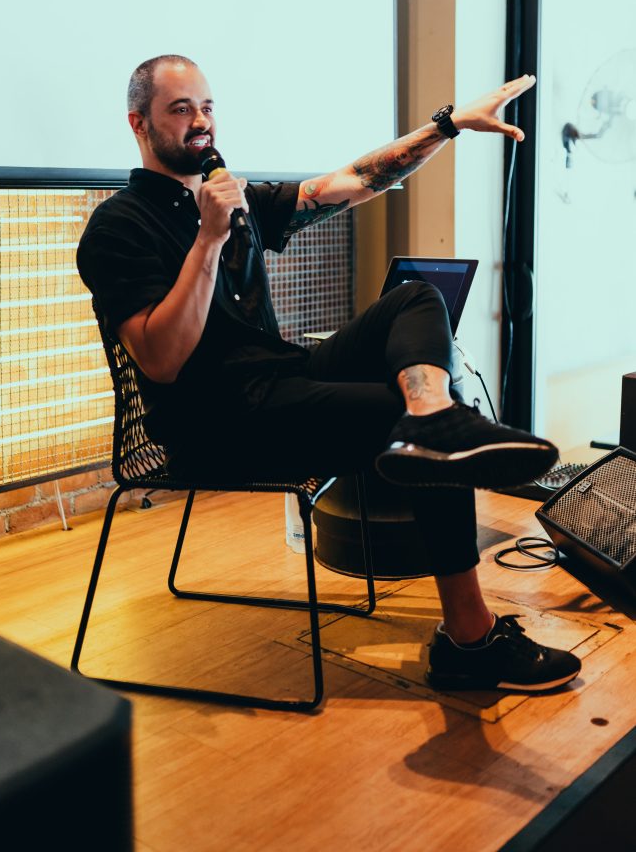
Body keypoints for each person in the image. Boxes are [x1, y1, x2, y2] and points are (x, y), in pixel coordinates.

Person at [77, 54, 581, 694]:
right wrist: (208, 240)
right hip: (214, 418)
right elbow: (161, 360)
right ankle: (470, 641)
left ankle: (434, 413)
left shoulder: (235, 198)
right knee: (386, 417)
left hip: (279, 378)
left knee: (415, 297)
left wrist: (448, 125)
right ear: (138, 124)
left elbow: (353, 181)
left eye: (207, 106)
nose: (201, 122)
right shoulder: (118, 226)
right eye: (181, 110)